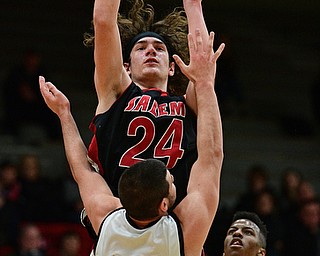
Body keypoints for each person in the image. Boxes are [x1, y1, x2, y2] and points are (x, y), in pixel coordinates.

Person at [39, 28, 224, 255]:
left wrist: (64, 115)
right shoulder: (179, 233)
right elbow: (212, 156)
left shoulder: (110, 220)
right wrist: (204, 80)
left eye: (158, 48)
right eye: (171, 180)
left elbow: (83, 171)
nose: (150, 52)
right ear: (164, 205)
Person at [84, 0, 213, 208]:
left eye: (160, 48)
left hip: (172, 218)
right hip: (120, 215)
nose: (151, 51)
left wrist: (193, 5)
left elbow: (203, 61)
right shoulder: (115, 93)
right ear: (126, 67)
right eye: (141, 48)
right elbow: (103, 21)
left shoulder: (190, 103)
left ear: (172, 67)